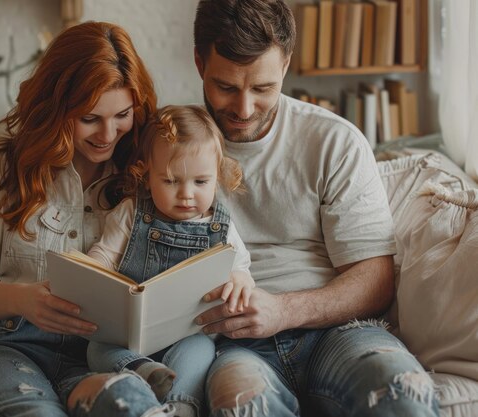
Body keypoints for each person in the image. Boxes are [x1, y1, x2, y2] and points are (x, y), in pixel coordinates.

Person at [191, 1, 440, 416]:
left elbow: (376, 279)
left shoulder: (333, 142)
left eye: (262, 88)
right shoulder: (171, 150)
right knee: (241, 406)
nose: (244, 108)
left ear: (286, 65)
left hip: (340, 333)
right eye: (227, 87)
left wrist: (283, 310)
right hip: (235, 347)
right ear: (199, 62)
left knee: (403, 392)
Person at [0, 21, 175, 417]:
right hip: (7, 347)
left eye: (121, 115)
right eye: (89, 118)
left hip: (100, 358)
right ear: (56, 107)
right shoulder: (5, 168)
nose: (107, 133)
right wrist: (24, 300)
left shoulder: (148, 175)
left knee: (131, 407)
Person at [85, 105, 255, 417]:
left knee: (202, 351)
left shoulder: (220, 225)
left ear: (217, 177)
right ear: (147, 176)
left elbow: (240, 266)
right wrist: (92, 273)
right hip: (131, 337)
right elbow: (103, 256)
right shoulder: (130, 213)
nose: (186, 194)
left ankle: (179, 406)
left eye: (201, 182)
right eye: (171, 181)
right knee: (97, 348)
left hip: (189, 332)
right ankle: (142, 370)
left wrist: (240, 281)